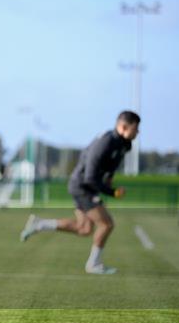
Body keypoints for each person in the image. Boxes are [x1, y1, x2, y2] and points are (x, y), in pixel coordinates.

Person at [19, 111, 140, 275]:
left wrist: (109, 178)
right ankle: (93, 264)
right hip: (82, 186)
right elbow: (90, 177)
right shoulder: (105, 142)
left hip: (88, 186)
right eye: (135, 128)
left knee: (84, 229)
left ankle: (39, 224)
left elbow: (112, 164)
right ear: (124, 127)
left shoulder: (125, 144)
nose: (137, 132)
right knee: (106, 224)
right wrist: (112, 192)